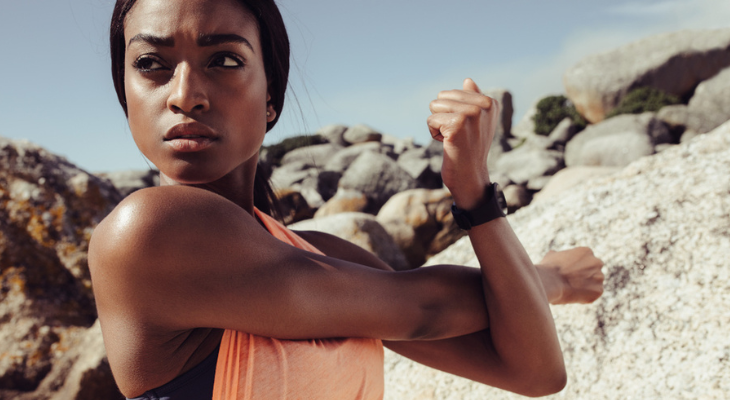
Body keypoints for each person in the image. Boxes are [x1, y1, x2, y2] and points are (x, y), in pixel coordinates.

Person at [89, 0, 605, 399]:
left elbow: (533, 371)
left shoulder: (324, 255)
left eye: (223, 59)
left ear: (271, 98)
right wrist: (551, 279)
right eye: (152, 63)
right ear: (125, 90)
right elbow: (428, 307)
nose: (184, 94)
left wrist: (473, 190)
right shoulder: (148, 232)